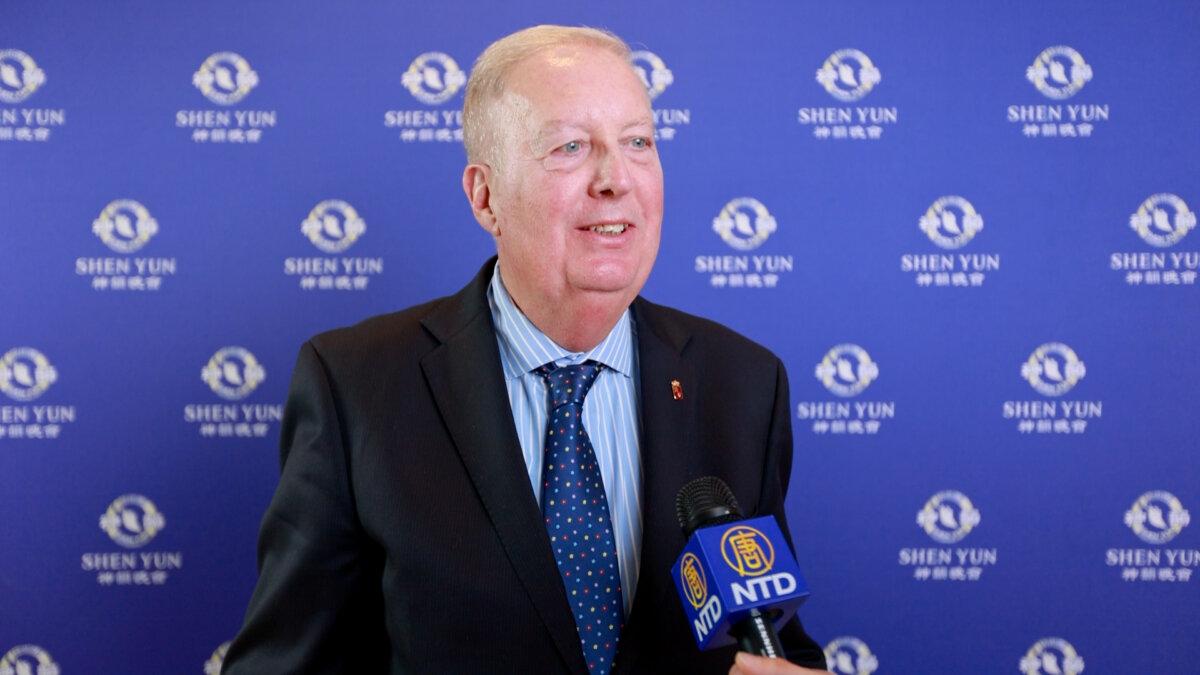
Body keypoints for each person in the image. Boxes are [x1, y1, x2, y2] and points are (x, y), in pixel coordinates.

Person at [223, 25, 828, 675]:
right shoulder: (355, 385)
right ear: (485, 196)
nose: (615, 179)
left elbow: (770, 637)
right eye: (571, 147)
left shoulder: (742, 383)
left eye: (638, 142)